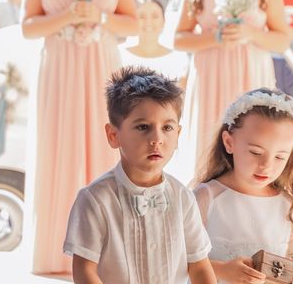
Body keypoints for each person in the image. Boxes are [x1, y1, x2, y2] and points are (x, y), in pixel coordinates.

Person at [22, 0, 138, 276]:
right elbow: (28, 27)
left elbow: (132, 24)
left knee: (105, 144)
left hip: (100, 66)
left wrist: (100, 17)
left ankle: (106, 247)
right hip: (59, 70)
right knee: (60, 145)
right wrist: (67, 16)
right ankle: (58, 249)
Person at [63, 67, 216, 284]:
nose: (157, 138)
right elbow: (85, 271)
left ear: (178, 134)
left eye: (167, 128)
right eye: (143, 127)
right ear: (113, 135)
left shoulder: (183, 197)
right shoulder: (95, 199)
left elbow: (199, 265)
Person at [175, 0, 290, 171]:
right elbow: (178, 39)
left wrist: (250, 33)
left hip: (251, 77)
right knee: (209, 153)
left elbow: (282, 41)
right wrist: (215, 37)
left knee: (253, 148)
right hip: (210, 78)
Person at [193, 88, 293, 284]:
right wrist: (223, 271)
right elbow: (179, 257)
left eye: (279, 157)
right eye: (255, 152)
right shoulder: (206, 198)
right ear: (229, 142)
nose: (266, 165)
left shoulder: (287, 204)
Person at [120, 0, 189, 86]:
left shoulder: (179, 58)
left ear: (164, 21)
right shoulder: (120, 56)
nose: (148, 22)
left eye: (155, 16)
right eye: (141, 16)